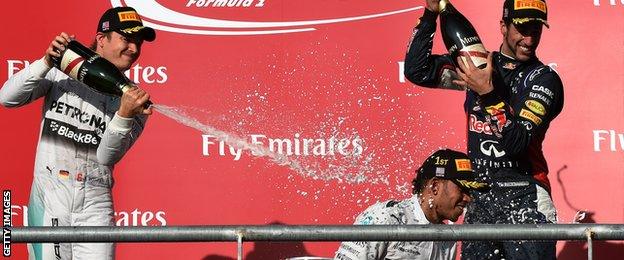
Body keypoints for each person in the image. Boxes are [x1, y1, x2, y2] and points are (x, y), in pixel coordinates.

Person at [403, 0, 564, 259]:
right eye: (522, 29)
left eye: (536, 29)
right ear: (503, 26)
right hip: (481, 196)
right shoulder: (478, 65)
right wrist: (430, 15)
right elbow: (416, 70)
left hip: (526, 194)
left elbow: (517, 143)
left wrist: (487, 93)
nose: (530, 38)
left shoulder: (543, 79)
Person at [0, 6, 156, 260]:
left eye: (138, 43)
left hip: (96, 203)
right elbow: (7, 98)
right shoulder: (61, 68)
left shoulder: (135, 100)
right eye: (127, 40)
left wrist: (124, 115)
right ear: (101, 39)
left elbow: (107, 157)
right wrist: (44, 62)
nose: (134, 50)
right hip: (50, 195)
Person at [334, 149, 489, 260]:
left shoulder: (448, 238)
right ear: (435, 186)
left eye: (470, 192)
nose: (468, 198)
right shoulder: (386, 217)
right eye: (462, 189)